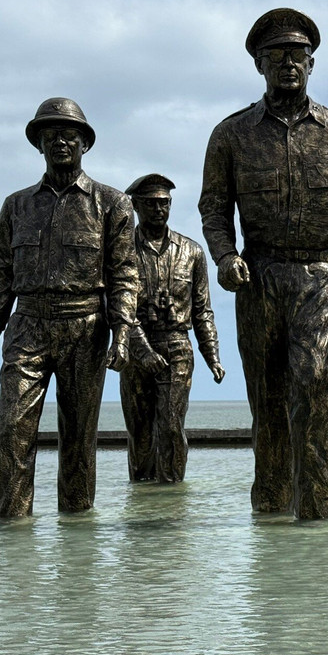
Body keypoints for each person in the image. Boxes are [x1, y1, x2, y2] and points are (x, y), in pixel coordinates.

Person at [198, 8, 328, 519]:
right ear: (258, 65)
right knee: (268, 403)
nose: (287, 64)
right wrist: (225, 256)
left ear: (312, 62)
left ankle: (319, 523)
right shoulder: (231, 135)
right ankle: (272, 519)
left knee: (316, 390)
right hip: (257, 281)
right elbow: (213, 207)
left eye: (297, 55)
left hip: (322, 278)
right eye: (275, 56)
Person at [0, 97, 139, 517]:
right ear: (39, 145)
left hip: (86, 326)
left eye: (69, 135)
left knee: (79, 438)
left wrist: (122, 333)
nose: (60, 142)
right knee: (12, 429)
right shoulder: (16, 205)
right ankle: (11, 540)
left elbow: (124, 275)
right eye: (51, 135)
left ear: (84, 143)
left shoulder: (113, 204)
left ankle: (77, 544)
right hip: (26, 325)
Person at [119, 173, 225, 484]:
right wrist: (142, 350)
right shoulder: (121, 250)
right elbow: (119, 308)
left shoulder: (192, 252)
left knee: (170, 426)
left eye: (164, 203)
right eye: (151, 204)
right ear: (137, 206)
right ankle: (141, 496)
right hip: (136, 348)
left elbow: (203, 311)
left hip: (177, 346)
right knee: (139, 430)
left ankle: (171, 497)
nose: (158, 209)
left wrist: (213, 357)